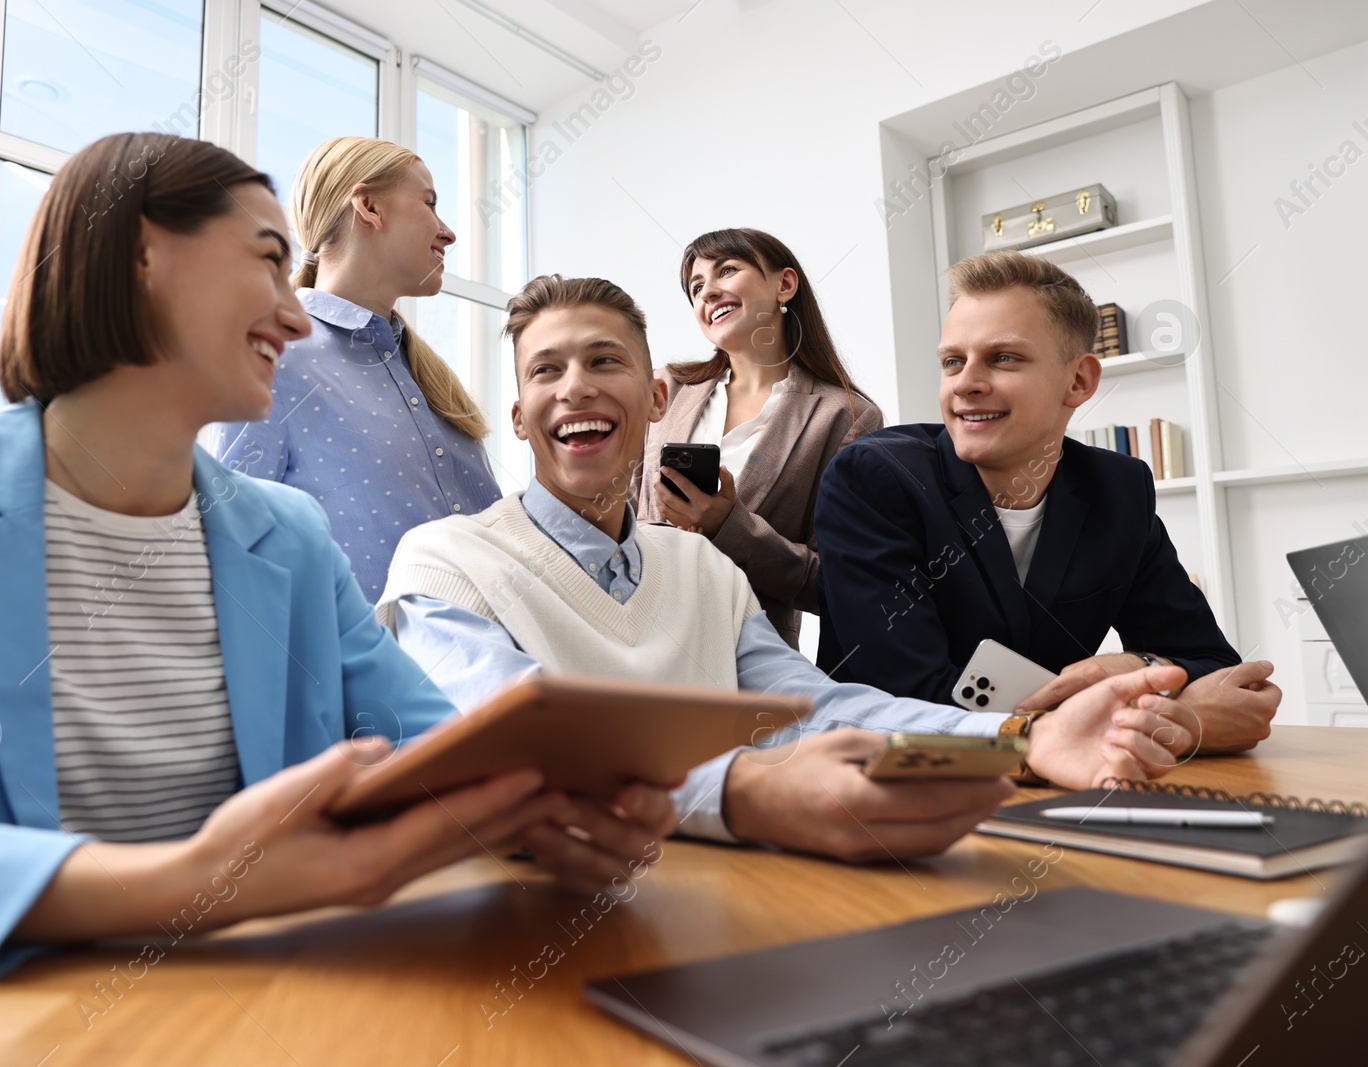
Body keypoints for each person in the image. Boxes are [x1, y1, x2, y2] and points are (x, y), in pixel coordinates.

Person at [0, 134, 671, 979]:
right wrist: (184, 885)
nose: (293, 313)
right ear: (141, 252)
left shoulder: (291, 537)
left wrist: (561, 806)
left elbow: (443, 753)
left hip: (256, 1006)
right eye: (271, 261)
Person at [376, 274, 1201, 860]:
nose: (576, 388)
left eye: (605, 362)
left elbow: (814, 708)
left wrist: (1017, 739)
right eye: (546, 370)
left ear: (658, 401)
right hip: (525, 922)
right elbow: (516, 743)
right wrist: (747, 791)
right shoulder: (446, 559)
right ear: (518, 416)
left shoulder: (704, 568)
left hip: (721, 900)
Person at [815, 251, 1279, 752]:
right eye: (953, 361)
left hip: (1061, 782)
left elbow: (1216, 667)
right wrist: (1178, 716)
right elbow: (910, 699)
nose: (965, 383)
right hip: (894, 781)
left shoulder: (1119, 489)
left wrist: (1138, 666)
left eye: (1003, 358)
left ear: (1078, 381)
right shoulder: (874, 479)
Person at [211, 136, 501, 603]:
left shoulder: (431, 380)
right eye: (429, 203)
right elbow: (232, 545)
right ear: (368, 206)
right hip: (360, 669)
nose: (448, 232)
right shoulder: (277, 355)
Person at [633, 228, 881, 648]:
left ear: (784, 285)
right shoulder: (664, 389)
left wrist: (730, 527)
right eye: (696, 287)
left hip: (749, 660)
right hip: (635, 640)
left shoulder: (846, 417)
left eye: (726, 270)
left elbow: (838, 583)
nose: (707, 292)